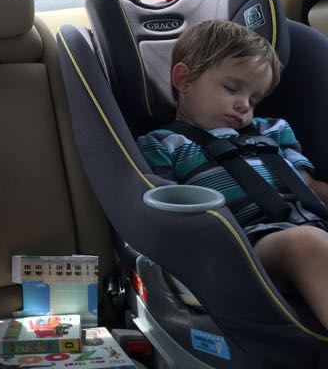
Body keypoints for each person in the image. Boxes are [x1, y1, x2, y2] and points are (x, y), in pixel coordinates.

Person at [137, 19, 328, 329]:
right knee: (303, 243)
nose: (244, 106)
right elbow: (164, 213)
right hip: (244, 245)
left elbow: (309, 185)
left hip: (312, 222)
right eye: (231, 88)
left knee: (309, 238)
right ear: (184, 80)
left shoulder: (273, 130)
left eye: (254, 99)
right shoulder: (165, 143)